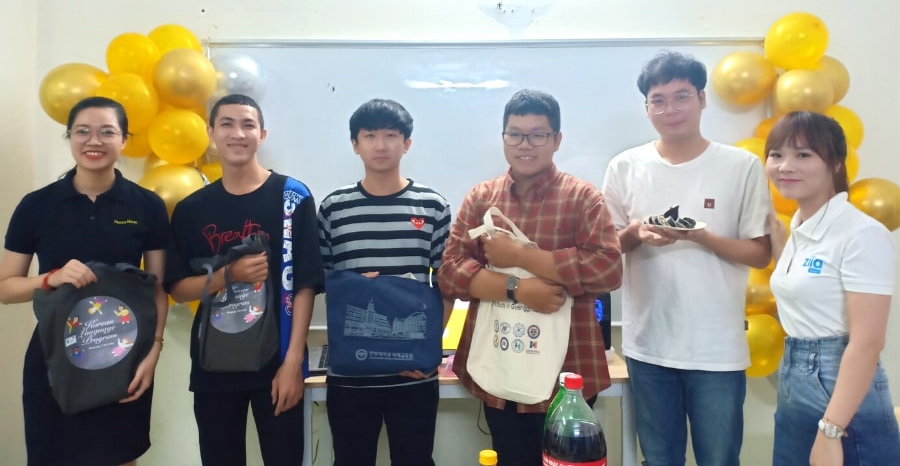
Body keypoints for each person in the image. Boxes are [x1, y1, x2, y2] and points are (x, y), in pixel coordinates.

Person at [601, 51, 771, 465]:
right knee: (659, 459)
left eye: (681, 96)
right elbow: (605, 251)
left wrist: (703, 238)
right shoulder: (625, 166)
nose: (670, 109)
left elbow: (760, 252)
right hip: (648, 347)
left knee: (719, 459)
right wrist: (635, 234)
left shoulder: (741, 166)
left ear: (702, 99)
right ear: (646, 108)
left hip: (717, 349)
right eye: (658, 100)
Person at [440, 89, 623, 465]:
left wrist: (521, 256)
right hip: (499, 359)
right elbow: (450, 273)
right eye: (515, 134)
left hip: (569, 368)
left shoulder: (582, 198)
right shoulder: (482, 197)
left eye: (538, 135)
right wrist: (517, 288)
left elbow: (608, 269)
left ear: (557, 139)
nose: (525, 144)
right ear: (503, 138)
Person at [0, 96, 169, 466]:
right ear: (69, 137)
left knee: (119, 457)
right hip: (54, 358)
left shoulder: (147, 206)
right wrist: (51, 278)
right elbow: (6, 288)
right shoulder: (37, 205)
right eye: (82, 131)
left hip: (124, 358)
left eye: (107, 132)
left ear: (124, 139)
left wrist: (154, 351)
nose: (94, 141)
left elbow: (157, 287)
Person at [165, 94, 323, 466]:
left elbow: (305, 284)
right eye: (227, 124)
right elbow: (177, 288)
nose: (238, 133)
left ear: (262, 134)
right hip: (214, 367)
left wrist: (293, 363)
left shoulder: (292, 197)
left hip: (277, 364)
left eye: (248, 124)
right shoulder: (191, 209)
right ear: (210, 133)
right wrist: (228, 275)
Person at [317, 98, 452, 466]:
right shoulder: (334, 208)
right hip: (350, 373)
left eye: (391, 135)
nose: (381, 145)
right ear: (355, 144)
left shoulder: (432, 206)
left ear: (407, 143)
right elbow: (324, 282)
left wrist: (429, 351)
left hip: (413, 373)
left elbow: (447, 286)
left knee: (415, 460)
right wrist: (356, 285)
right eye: (370, 136)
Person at [765, 111, 900, 465]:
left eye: (803, 154)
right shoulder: (800, 229)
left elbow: (867, 343)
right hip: (794, 377)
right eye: (776, 154)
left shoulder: (862, 234)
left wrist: (831, 430)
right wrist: (779, 246)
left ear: (836, 163)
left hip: (840, 386)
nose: (785, 166)